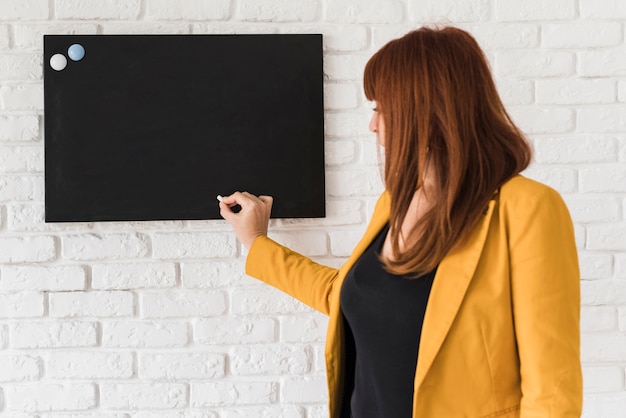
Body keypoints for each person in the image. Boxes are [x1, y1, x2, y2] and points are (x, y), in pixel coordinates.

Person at [219, 26, 582, 418]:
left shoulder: (528, 209)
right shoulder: (394, 202)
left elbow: (552, 394)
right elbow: (347, 295)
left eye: (380, 108)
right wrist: (257, 242)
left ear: (425, 108)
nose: (372, 125)